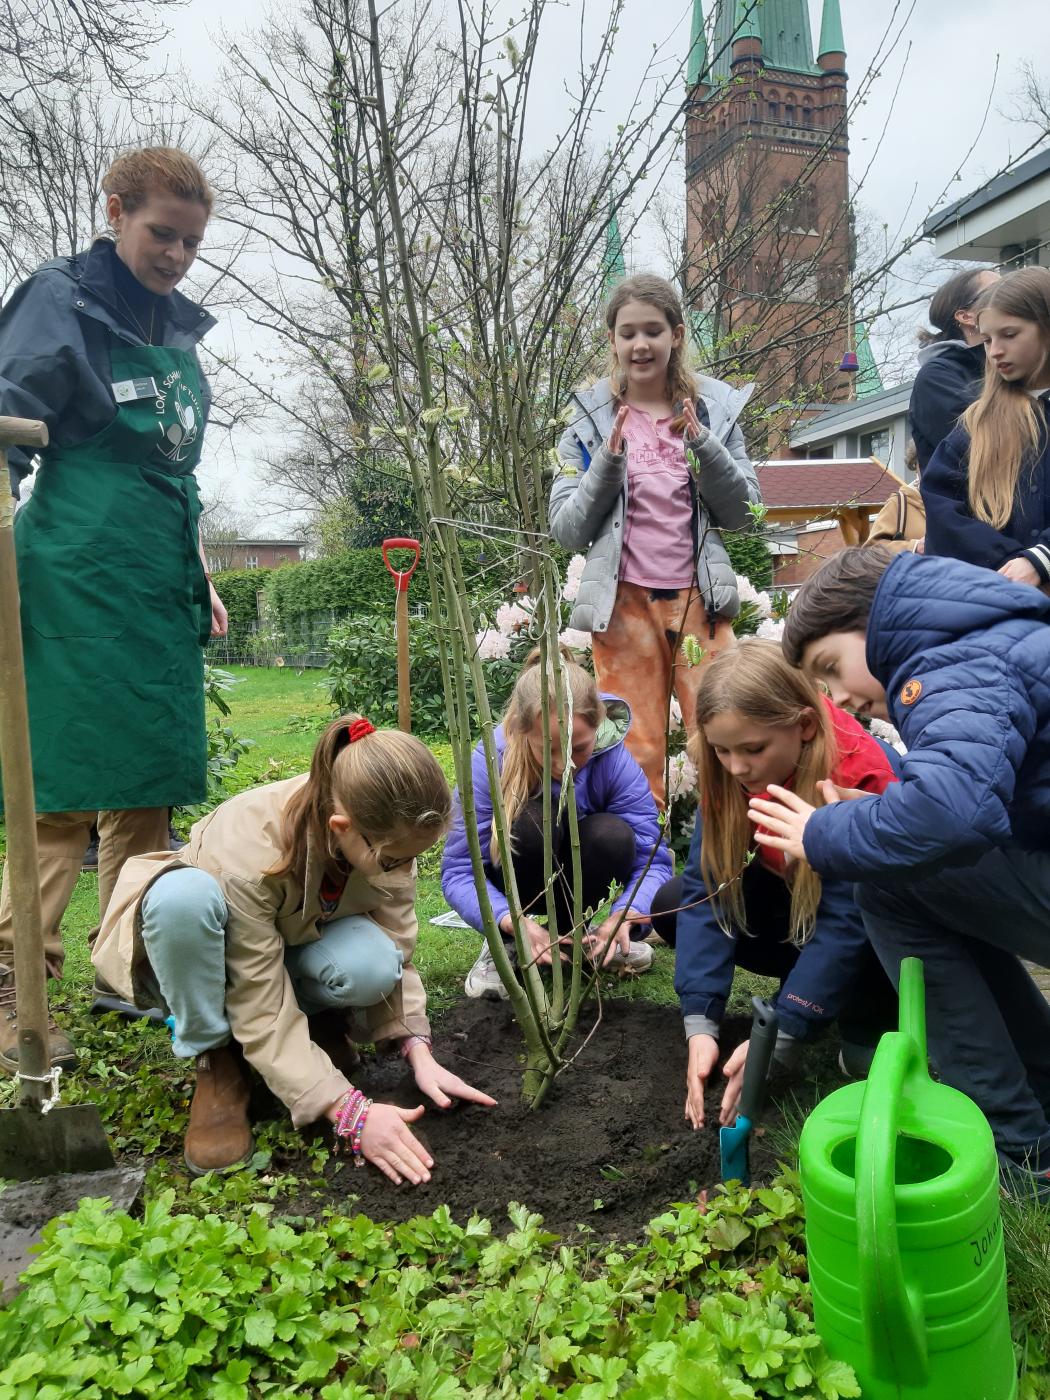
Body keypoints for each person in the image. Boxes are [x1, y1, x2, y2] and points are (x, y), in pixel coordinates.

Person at [0, 147, 228, 1072]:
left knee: (143, 781)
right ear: (116, 210)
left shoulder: (173, 322)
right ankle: (16, 982)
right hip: (78, 565)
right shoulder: (62, 298)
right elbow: (6, 414)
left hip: (156, 568)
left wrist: (199, 568)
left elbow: (175, 464)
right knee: (59, 784)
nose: (176, 255)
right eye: (161, 233)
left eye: (191, 242)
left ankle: (123, 968)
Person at [751, 546, 1050, 1198]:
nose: (839, 698)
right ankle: (1038, 1097)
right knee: (920, 878)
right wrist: (877, 817)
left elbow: (955, 815)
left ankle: (1020, 1149)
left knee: (889, 889)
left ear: (877, 621)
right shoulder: (985, 641)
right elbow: (976, 803)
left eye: (832, 667)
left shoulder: (951, 662)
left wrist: (821, 832)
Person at [92, 716, 496, 1181]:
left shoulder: (387, 831)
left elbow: (397, 944)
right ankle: (216, 1059)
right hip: (206, 957)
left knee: (374, 962)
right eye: (393, 861)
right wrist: (350, 1113)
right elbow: (257, 999)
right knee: (181, 902)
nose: (403, 868)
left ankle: (318, 1023)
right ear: (342, 827)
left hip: (286, 946)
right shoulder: (249, 854)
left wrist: (417, 1050)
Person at [647, 640, 898, 1131]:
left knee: (865, 1054)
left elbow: (848, 919)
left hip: (871, 924)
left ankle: (860, 1011)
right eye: (721, 750)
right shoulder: (728, 771)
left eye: (753, 749)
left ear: (804, 725)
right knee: (674, 902)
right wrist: (700, 1022)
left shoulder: (859, 777)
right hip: (796, 909)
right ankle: (807, 989)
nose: (736, 767)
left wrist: (782, 1031)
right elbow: (706, 890)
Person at [548, 273, 760, 805]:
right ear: (613, 340)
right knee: (634, 750)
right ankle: (645, 853)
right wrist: (608, 461)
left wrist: (704, 446)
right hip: (623, 609)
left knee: (725, 732)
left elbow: (745, 513)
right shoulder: (587, 422)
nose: (640, 344)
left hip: (700, 604)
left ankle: (728, 848)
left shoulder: (713, 411)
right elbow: (567, 529)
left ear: (676, 335)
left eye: (652, 330)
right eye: (627, 333)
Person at [441, 647, 672, 1000]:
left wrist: (628, 913)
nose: (565, 764)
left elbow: (651, 859)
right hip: (518, 881)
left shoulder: (615, 762)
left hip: (578, 883)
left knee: (612, 835)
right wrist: (508, 920)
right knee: (529, 825)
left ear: (598, 724)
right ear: (523, 732)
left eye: (578, 747)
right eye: (547, 749)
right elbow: (460, 870)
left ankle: (577, 936)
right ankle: (507, 944)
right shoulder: (490, 760)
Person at [922, 266, 1050, 588]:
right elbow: (944, 512)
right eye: (988, 339)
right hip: (1007, 601)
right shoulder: (976, 424)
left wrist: (1041, 559)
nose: (995, 351)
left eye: (1010, 334)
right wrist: (1008, 565)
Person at [909, 266, 998, 471]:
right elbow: (985, 449)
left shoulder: (1017, 365)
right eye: (998, 291)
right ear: (967, 316)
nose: (1012, 294)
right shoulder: (937, 377)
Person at [864, 439, 925, 554]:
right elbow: (871, 551)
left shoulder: (958, 500)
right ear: (915, 465)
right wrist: (914, 547)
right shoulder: (899, 503)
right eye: (924, 461)